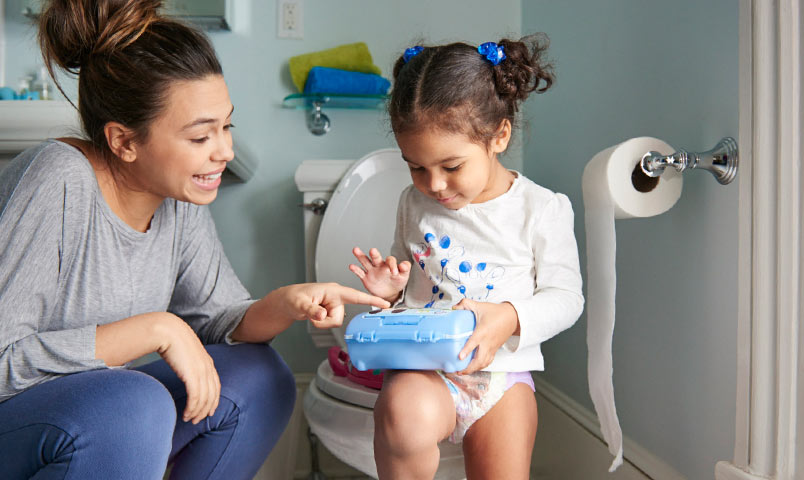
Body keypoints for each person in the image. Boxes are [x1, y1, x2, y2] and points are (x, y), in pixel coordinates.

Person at [0, 1, 389, 479]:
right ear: (124, 141)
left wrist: (286, 303)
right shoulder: (56, 180)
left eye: (226, 126)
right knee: (132, 403)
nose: (224, 151)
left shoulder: (176, 198)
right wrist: (157, 329)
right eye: (201, 137)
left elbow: (217, 320)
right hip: (18, 420)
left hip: (99, 408)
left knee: (261, 377)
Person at [348, 36, 584, 479]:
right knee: (400, 417)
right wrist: (393, 292)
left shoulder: (541, 208)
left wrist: (509, 317)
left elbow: (567, 297)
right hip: (424, 371)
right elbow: (407, 288)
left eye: (451, 166)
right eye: (416, 166)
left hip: (502, 378)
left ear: (499, 136)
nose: (434, 184)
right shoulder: (412, 204)